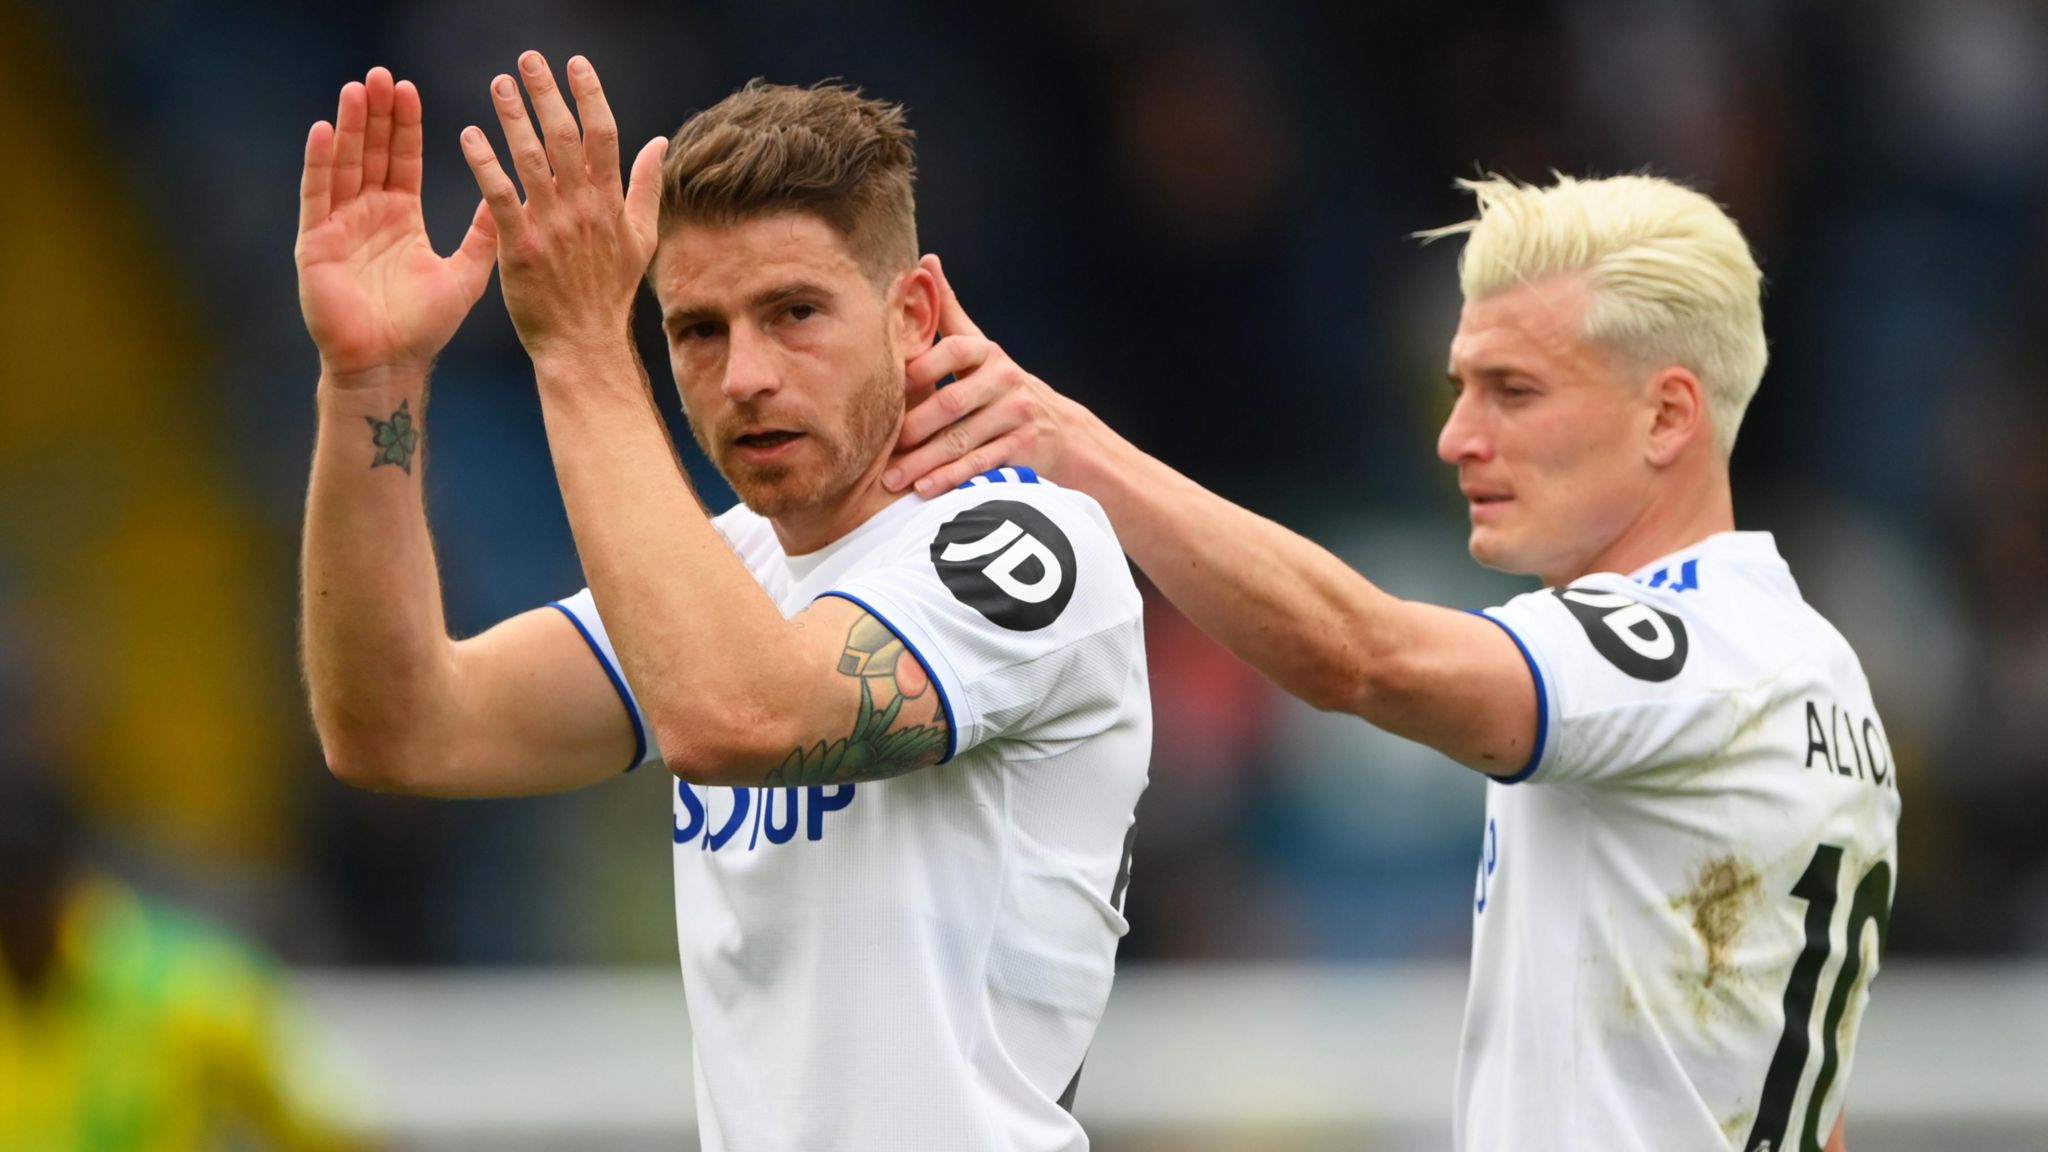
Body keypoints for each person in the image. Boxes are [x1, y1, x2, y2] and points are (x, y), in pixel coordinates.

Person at [888, 175, 1899, 1152]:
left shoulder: (1687, 649)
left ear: (1668, 415)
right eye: (1458, 388)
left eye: (1513, 391)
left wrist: (1067, 444)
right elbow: (1809, 1092)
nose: (1457, 437)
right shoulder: (1808, 666)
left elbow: (1361, 659)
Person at [294, 57, 1149, 1151]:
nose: (744, 372)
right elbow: (398, 729)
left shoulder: (1024, 545)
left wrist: (579, 343)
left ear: (911, 314)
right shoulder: (726, 573)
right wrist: (372, 381)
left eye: (793, 312)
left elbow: (736, 717)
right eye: (696, 330)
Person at [0, 770, 376, 1151]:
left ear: (60, 878)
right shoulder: (199, 980)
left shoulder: (196, 986)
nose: (14, 915)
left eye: (20, 895)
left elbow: (327, 1134)